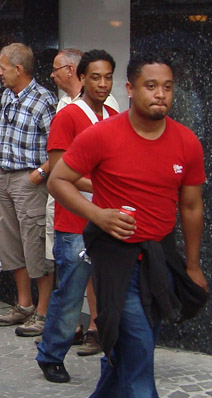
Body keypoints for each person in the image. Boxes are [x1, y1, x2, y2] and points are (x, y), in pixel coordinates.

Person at [48, 53, 209, 397]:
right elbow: (58, 180)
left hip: (159, 260)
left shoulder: (186, 142)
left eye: (167, 87)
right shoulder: (102, 135)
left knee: (128, 349)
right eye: (150, 86)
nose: (160, 94)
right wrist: (98, 215)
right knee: (138, 348)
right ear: (131, 89)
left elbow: (192, 206)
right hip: (115, 259)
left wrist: (193, 266)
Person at [35, 49, 119, 384]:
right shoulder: (68, 116)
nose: (102, 83)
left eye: (108, 77)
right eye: (95, 77)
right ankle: (51, 354)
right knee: (70, 292)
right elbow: (57, 170)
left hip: (106, 216)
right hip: (74, 220)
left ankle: (115, 348)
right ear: (80, 78)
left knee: (112, 288)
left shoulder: (113, 112)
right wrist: (102, 184)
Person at [0, 43, 57, 337]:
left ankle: (43, 312)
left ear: (19, 69)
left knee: (35, 244)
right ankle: (23, 304)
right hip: (2, 175)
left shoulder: (44, 100)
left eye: (3, 67)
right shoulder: (6, 95)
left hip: (28, 181)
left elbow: (59, 148)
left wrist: (39, 175)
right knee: (9, 243)